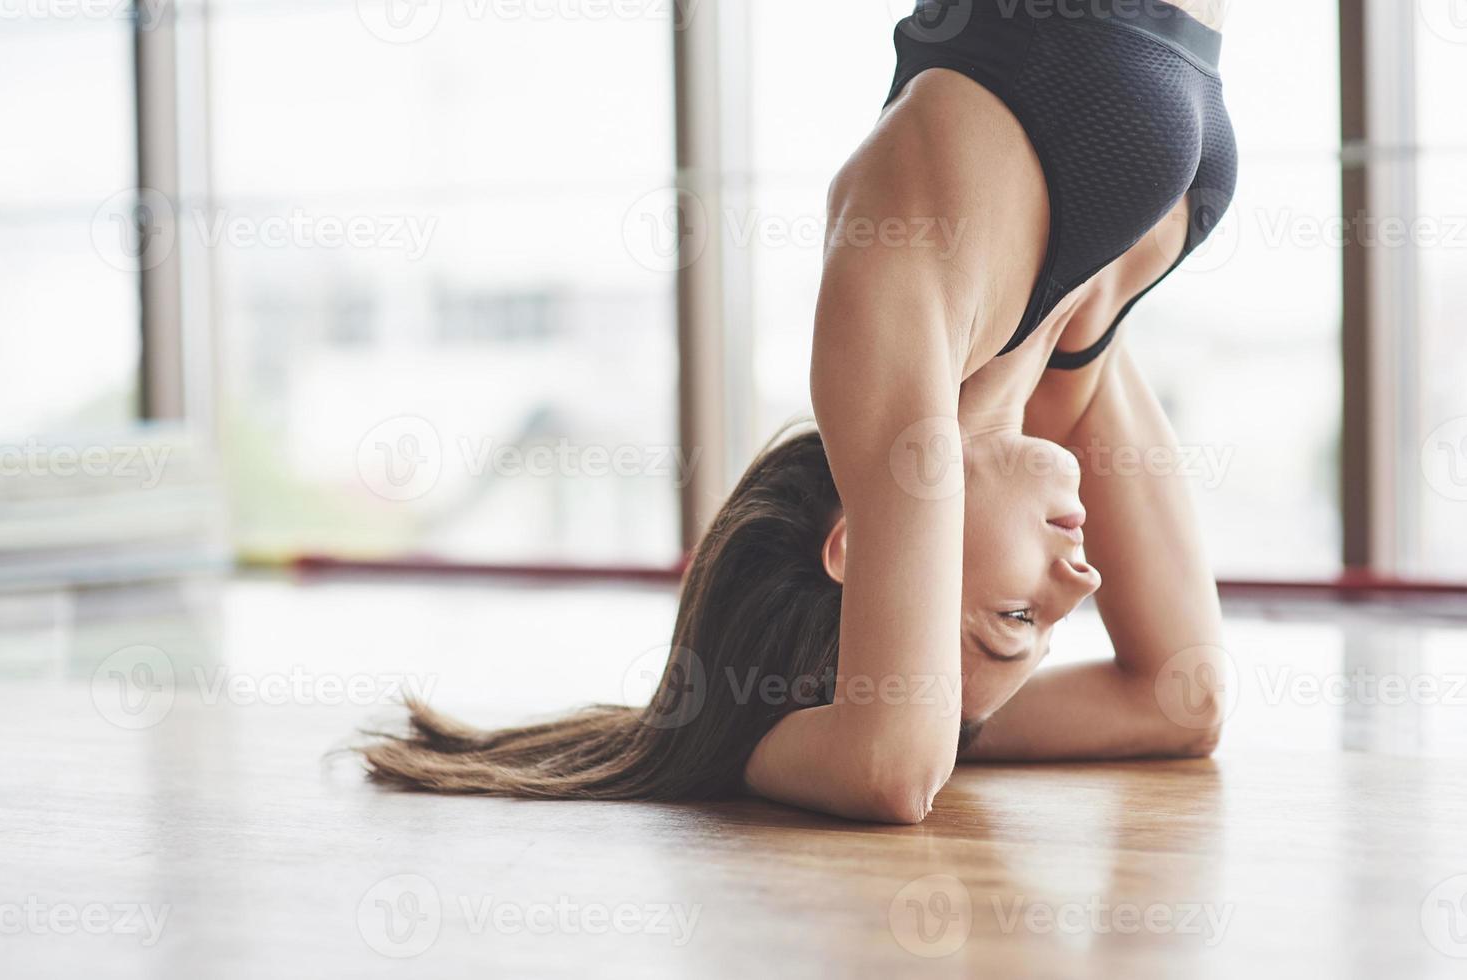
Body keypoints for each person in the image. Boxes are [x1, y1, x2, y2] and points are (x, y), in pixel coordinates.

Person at [361, 0, 1237, 823]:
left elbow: (893, 768)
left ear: (853, 547)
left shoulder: (885, 324)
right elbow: (1182, 699)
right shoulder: (1057, 366)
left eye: (1016, 616)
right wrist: (933, 703)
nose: (1080, 586)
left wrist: (735, 746)